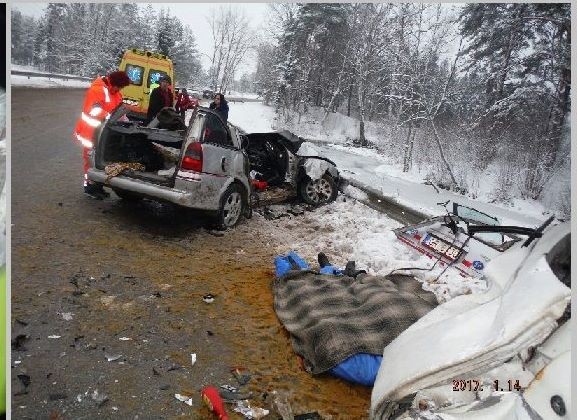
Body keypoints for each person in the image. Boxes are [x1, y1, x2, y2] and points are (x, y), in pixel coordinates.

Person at [73, 70, 130, 199]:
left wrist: (125, 119)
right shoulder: (97, 90)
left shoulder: (115, 92)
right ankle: (89, 187)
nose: (120, 89)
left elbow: (119, 108)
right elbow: (94, 110)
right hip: (90, 132)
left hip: (102, 133)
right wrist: (111, 117)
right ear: (113, 83)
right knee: (90, 161)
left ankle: (97, 186)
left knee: (100, 161)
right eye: (119, 87)